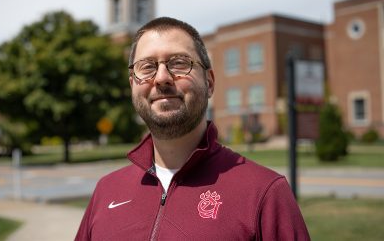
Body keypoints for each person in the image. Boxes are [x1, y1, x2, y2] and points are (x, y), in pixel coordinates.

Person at [75, 17, 310, 240]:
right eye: (147, 67)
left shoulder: (265, 193)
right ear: (132, 85)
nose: (162, 78)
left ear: (209, 83)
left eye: (179, 63)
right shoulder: (106, 190)